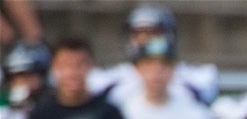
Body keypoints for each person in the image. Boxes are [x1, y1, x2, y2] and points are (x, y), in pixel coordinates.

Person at [90, 3, 218, 106]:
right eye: (139, 34)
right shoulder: (110, 81)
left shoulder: (193, 80)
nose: (145, 40)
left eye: (153, 33)